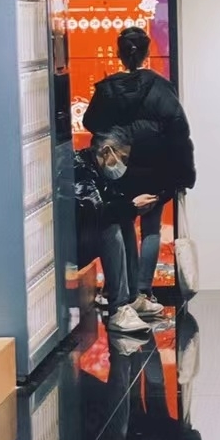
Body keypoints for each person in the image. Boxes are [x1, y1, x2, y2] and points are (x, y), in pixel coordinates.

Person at [84, 27, 196, 316]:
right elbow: (179, 130)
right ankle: (144, 290)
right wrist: (185, 173)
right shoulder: (160, 87)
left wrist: (121, 131)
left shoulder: (106, 89)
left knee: (123, 224)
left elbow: (90, 122)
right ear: (147, 53)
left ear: (119, 53)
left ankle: (126, 291)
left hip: (119, 169)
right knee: (151, 228)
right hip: (155, 167)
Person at [74, 131, 151, 336]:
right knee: (110, 228)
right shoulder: (79, 169)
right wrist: (132, 207)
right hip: (69, 245)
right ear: (107, 151)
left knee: (123, 221)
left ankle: (131, 297)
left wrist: (132, 208)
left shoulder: (96, 168)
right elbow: (95, 212)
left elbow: (111, 202)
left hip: (79, 236)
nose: (123, 165)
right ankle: (119, 309)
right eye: (123, 158)